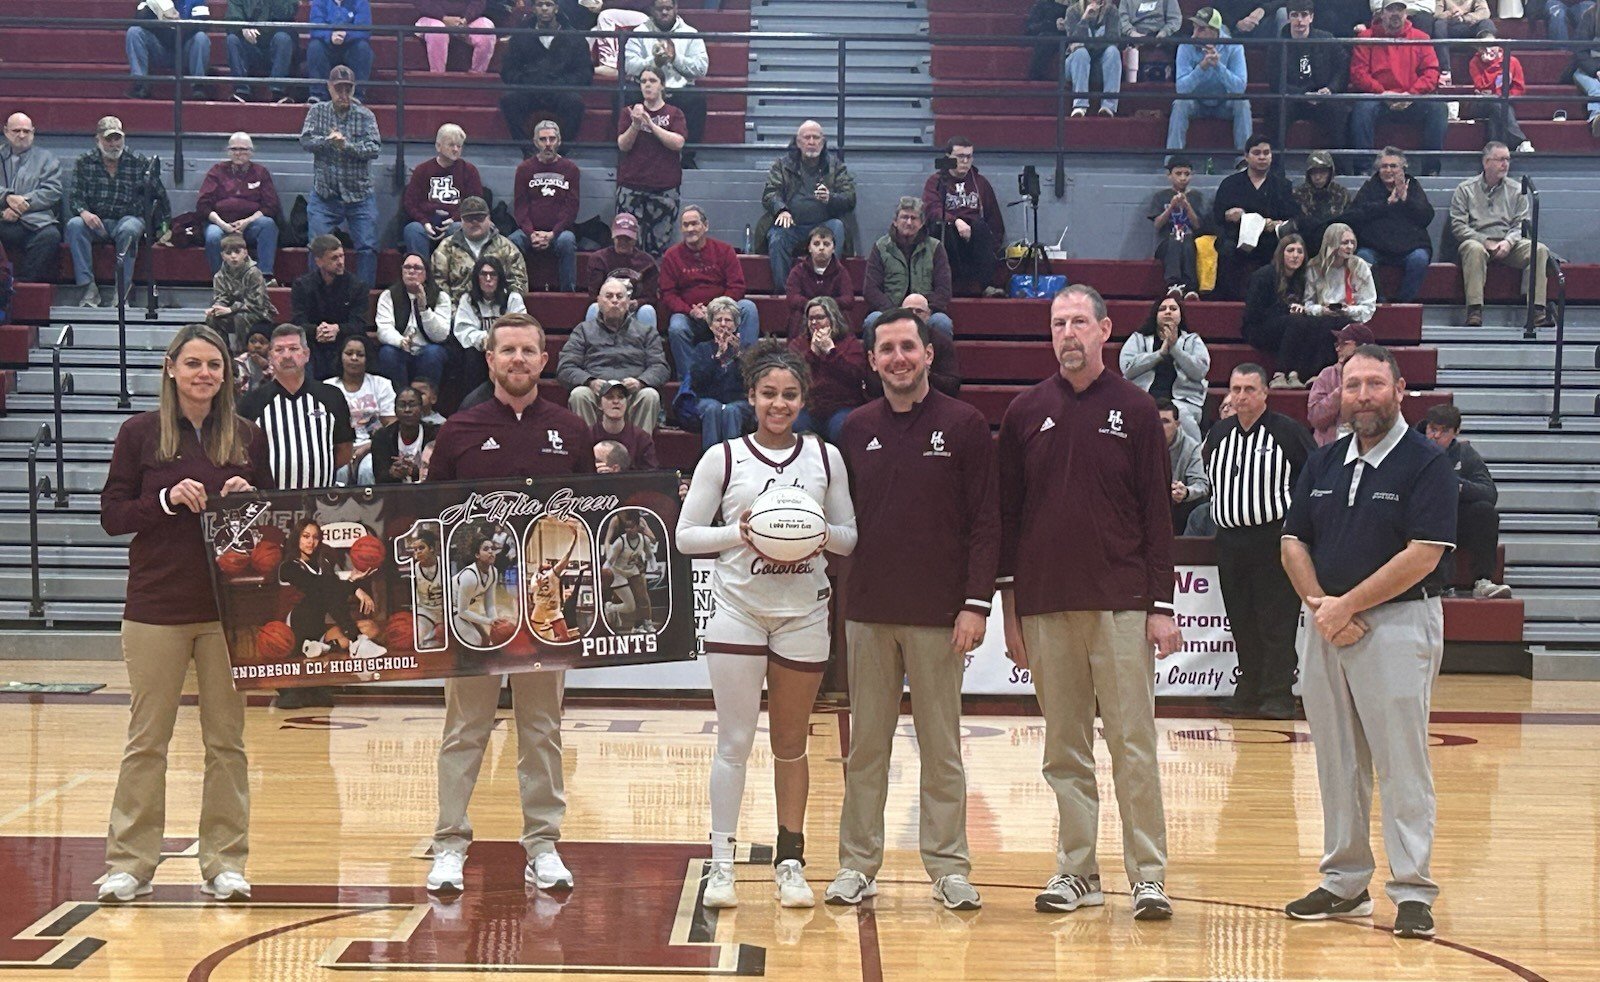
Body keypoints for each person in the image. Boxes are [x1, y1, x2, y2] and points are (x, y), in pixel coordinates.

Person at [997, 285, 1180, 922]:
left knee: (1133, 744)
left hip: (1122, 604)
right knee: (1064, 749)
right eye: (1058, 323)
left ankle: (1148, 876)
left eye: (1079, 321)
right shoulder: (1024, 411)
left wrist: (1161, 604)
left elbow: (1157, 515)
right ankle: (1078, 871)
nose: (1068, 333)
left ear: (1105, 330)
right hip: (1045, 605)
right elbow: (1008, 518)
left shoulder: (1136, 408)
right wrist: (1012, 612)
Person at [1280, 343, 1457, 941]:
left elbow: (1423, 554)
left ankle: (1413, 889)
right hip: (1325, 625)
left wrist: (1347, 606)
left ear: (1399, 390)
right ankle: (1345, 883)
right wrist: (1322, 608)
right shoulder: (1325, 461)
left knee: (1401, 761)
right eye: (1352, 385)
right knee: (1336, 762)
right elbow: (1293, 542)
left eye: (1374, 384)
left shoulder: (1427, 463)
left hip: (1398, 625)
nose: (1362, 396)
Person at [824, 305, 997, 913]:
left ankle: (949, 868)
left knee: (941, 749)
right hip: (868, 612)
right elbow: (839, 521)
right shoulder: (854, 428)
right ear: (872, 361)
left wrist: (975, 604)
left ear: (928, 354)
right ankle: (856, 864)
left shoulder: (965, 424)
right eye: (887, 349)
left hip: (940, 617)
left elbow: (986, 522)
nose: (898, 358)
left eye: (907, 347)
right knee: (866, 748)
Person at [676, 339, 858, 911]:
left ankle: (790, 862)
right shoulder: (723, 457)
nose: (779, 404)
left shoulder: (825, 457)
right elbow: (686, 537)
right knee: (733, 743)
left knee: (791, 745)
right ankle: (722, 864)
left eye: (790, 395)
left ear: (803, 399)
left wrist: (812, 533)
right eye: (769, 394)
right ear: (751, 396)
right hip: (739, 611)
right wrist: (743, 532)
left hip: (803, 613)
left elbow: (849, 537)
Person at [97, 323, 270, 906]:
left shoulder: (247, 435)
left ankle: (225, 863)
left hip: (228, 610)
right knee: (147, 741)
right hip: (156, 607)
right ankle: (130, 864)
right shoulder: (139, 433)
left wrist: (252, 502)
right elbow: (113, 515)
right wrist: (166, 500)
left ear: (227, 375)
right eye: (193, 363)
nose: (204, 374)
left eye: (214, 365)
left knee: (227, 743)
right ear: (171, 368)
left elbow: (274, 520)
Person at [423, 312, 594, 897]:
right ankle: (449, 844)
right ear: (490, 359)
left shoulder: (571, 430)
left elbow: (587, 519)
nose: (518, 360)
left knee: (541, 729)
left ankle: (543, 845)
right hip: (476, 607)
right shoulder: (459, 429)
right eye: (508, 351)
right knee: (464, 729)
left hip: (542, 610)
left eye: (528, 351)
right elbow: (430, 518)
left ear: (544, 361)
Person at [1202, 363, 1315, 719]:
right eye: (1235, 389)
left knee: (1276, 619)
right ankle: (1248, 689)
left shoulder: (1288, 432)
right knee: (1241, 618)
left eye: (1249, 389)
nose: (1241, 397)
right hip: (1229, 541)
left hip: (1273, 540)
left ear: (1265, 392)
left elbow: (1312, 478)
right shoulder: (1219, 433)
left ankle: (1278, 694)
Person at [67, 117, 170, 308]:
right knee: (74, 225)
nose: (114, 144)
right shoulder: (84, 162)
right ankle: (88, 289)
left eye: (118, 138)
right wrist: (84, 213)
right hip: (97, 220)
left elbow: (160, 196)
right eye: (109, 139)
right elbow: (75, 197)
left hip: (129, 218)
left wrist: (164, 226)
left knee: (129, 229)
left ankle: (122, 292)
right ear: (98, 139)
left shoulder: (138, 162)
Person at [1449, 142, 1552, 328]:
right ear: (1486, 162)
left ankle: (1537, 311)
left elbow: (1521, 223)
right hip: (1477, 240)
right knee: (1473, 248)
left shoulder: (1517, 189)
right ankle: (1474, 310)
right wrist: (1485, 241)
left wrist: (1508, 242)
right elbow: (1458, 226)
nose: (1505, 164)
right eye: (1500, 160)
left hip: (1508, 241)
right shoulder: (1465, 189)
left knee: (1539, 249)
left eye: (1508, 160)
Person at [300, 65, 381, 287]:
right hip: (325, 195)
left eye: (348, 89)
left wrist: (346, 146)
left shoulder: (366, 116)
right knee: (317, 246)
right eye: (339, 89)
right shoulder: (317, 112)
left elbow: (374, 149)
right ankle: (317, 293)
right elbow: (305, 141)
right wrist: (327, 141)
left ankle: (362, 296)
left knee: (367, 246)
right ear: (329, 88)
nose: (343, 94)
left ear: (354, 89)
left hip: (360, 196)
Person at [1422, 405, 1512, 598]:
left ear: (1456, 432)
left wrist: (1456, 485)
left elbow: (1489, 492)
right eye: (1433, 429)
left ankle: (1483, 580)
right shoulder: (1412, 449)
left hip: (1455, 521)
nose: (1436, 436)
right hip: (1421, 520)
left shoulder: (1465, 453)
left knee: (1485, 511)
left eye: (1444, 431)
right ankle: (1432, 583)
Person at [661, 206, 760, 382]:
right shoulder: (671, 256)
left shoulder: (724, 250)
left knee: (748, 308)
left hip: (723, 311)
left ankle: (748, 371)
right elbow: (668, 294)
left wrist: (717, 309)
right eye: (685, 225)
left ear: (705, 225)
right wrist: (690, 311)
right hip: (691, 316)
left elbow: (737, 285)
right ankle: (690, 382)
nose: (690, 229)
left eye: (694, 223)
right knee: (676, 327)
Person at [557, 275, 670, 430]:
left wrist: (641, 382)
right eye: (609, 296)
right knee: (579, 394)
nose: (614, 300)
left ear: (628, 302)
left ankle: (639, 445)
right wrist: (590, 382)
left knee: (650, 395)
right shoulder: (583, 331)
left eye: (619, 296)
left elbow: (660, 367)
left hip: (631, 396)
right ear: (599, 301)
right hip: (597, 395)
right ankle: (589, 445)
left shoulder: (646, 332)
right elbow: (565, 367)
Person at [1349, 1, 1446, 176]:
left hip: (1411, 99)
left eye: (1400, 9)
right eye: (1390, 9)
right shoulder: (1366, 37)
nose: (1395, 13)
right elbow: (1358, 74)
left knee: (1438, 108)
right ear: (1381, 13)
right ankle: (1363, 170)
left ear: (1406, 13)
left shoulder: (1421, 37)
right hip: (1378, 99)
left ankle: (1431, 169)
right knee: (1362, 109)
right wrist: (1382, 93)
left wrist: (1411, 94)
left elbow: (1431, 72)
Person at [761, 121, 858, 290]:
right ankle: (785, 293)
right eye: (807, 138)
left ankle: (828, 288)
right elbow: (770, 193)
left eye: (816, 137)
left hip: (823, 226)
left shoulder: (836, 166)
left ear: (823, 141)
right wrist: (781, 209)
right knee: (777, 237)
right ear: (798, 142)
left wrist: (831, 198)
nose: (811, 142)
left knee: (837, 226)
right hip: (791, 225)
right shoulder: (782, 166)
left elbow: (850, 198)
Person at [1242, 234, 1347, 388]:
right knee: (1297, 321)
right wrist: (1287, 310)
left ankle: (1309, 374)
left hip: (1292, 325)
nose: (1295, 255)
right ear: (1281, 253)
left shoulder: (1302, 278)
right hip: (1259, 328)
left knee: (1321, 322)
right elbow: (1253, 313)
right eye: (1290, 250)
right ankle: (1280, 374)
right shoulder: (1264, 275)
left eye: (1299, 251)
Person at [277, 516, 387, 655]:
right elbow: (319, 587)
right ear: (296, 538)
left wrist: (353, 580)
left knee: (371, 628)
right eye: (306, 536)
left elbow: (335, 591)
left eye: (315, 537)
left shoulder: (322, 565)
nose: (311, 541)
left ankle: (323, 647)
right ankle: (356, 641)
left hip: (317, 632)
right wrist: (355, 588)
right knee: (325, 591)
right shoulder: (288, 567)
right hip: (293, 631)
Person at [1211, 134, 1296, 300]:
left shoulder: (1282, 185)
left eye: (1266, 153)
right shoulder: (1230, 184)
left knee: (1283, 247)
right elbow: (1216, 216)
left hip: (1269, 238)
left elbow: (1291, 217)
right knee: (1226, 249)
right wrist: (1228, 215)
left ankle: (1277, 297)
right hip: (1236, 237)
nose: (1262, 157)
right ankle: (1228, 299)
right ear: (1246, 156)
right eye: (1257, 153)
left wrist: (1277, 224)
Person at [499, 0, 593, 150]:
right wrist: (526, 81)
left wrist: (562, 82)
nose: (544, 8)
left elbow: (585, 73)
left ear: (556, 8)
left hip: (560, 89)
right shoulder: (520, 36)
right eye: (539, 4)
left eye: (548, 4)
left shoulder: (575, 37)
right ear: (533, 9)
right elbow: (508, 71)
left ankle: (561, 152)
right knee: (509, 100)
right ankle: (528, 151)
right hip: (529, 88)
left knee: (575, 103)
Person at [862, 197, 954, 347]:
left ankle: (940, 363)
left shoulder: (935, 247)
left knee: (942, 323)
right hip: (889, 311)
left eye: (914, 218)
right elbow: (870, 289)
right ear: (895, 221)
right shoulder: (880, 247)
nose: (909, 222)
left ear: (922, 222)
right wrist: (893, 312)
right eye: (904, 217)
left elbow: (944, 289)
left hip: (925, 312)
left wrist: (926, 310)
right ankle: (873, 363)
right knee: (872, 321)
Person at [1119, 292, 1210, 442]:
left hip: (1183, 401)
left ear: (1180, 315)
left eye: (1173, 309)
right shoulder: (1139, 338)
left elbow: (1199, 371)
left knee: (1183, 417)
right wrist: (1159, 354)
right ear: (1155, 315)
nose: (1168, 312)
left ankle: (1195, 455)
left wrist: (1174, 348)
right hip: (1143, 398)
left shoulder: (1192, 340)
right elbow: (1127, 369)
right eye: (1163, 309)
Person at [616, 67, 688, 257]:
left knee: (658, 248)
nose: (647, 85)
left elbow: (678, 143)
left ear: (662, 85)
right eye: (643, 81)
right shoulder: (629, 112)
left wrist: (651, 124)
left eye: (652, 80)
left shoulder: (674, 113)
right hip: (631, 186)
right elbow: (623, 145)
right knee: (629, 247)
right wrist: (635, 124)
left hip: (664, 189)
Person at [1346, 147, 1434, 303]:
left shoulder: (1413, 186)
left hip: (1409, 248)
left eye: (1393, 166)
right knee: (1363, 257)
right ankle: (1378, 301)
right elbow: (1355, 215)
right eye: (1384, 166)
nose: (1388, 170)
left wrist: (1406, 198)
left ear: (1403, 169)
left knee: (1420, 258)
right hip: (1374, 248)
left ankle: (1403, 304)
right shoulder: (1369, 187)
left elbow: (1426, 217)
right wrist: (1386, 203)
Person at [1264, 0, 1351, 153]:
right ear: (1288, 17)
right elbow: (1275, 81)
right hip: (1291, 98)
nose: (1300, 20)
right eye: (1295, 15)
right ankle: (1276, 164)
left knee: (1340, 111)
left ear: (1311, 17)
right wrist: (1303, 95)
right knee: (1275, 109)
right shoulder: (1277, 45)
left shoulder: (1327, 39)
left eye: (1304, 15)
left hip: (1322, 97)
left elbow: (1343, 66)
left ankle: (1340, 164)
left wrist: (1331, 89)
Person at [922, 138, 1005, 296]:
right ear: (948, 157)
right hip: (948, 235)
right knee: (942, 227)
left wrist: (993, 247)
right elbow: (932, 210)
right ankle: (948, 285)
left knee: (980, 226)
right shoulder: (936, 181)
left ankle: (984, 286)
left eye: (969, 156)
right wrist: (956, 221)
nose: (965, 161)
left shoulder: (980, 183)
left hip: (974, 238)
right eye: (960, 156)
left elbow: (995, 219)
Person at [623, 0, 710, 151]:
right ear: (652, 9)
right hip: (645, 89)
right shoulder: (639, 32)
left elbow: (701, 69)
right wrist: (654, 62)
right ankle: (628, 152)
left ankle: (687, 156)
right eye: (660, 9)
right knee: (622, 95)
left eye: (668, 8)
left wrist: (675, 58)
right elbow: (629, 67)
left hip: (679, 90)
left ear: (676, 8)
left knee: (697, 100)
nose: (664, 12)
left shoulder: (691, 33)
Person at [1166, 8, 1252, 161]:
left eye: (1201, 29)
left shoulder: (1234, 46)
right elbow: (1181, 89)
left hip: (1224, 103)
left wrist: (1218, 66)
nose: (1194, 34)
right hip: (1196, 102)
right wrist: (1202, 67)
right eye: (1194, 27)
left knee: (1243, 103)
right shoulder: (1186, 46)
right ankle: (1173, 161)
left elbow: (1240, 88)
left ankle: (1244, 161)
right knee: (1179, 103)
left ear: (1214, 31)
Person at [197, 133, 280, 282]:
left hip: (250, 225)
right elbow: (203, 205)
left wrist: (247, 221)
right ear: (228, 151)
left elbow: (271, 205)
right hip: (220, 224)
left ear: (251, 152)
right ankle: (221, 280)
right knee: (213, 237)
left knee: (268, 225)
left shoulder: (261, 172)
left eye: (243, 149)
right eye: (234, 149)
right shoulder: (216, 171)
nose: (238, 153)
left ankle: (264, 277)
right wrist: (223, 224)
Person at [1301, 224, 1377, 382]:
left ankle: (1334, 375)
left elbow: (1369, 305)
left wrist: (1348, 310)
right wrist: (1321, 310)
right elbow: (1307, 303)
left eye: (1352, 242)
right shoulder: (1315, 267)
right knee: (1320, 325)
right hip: (1321, 316)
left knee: (1340, 327)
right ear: (1332, 243)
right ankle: (1318, 374)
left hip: (1350, 316)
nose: (1350, 247)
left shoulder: (1360, 266)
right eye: (1344, 243)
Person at [511, 120, 580, 292]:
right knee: (513, 241)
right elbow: (520, 206)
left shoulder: (571, 169)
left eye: (552, 139)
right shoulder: (524, 169)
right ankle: (516, 292)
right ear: (535, 142)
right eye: (543, 139)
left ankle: (568, 295)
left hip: (559, 232)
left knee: (567, 241)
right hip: (530, 232)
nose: (548, 144)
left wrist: (552, 234)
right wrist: (531, 233)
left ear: (559, 141)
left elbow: (571, 208)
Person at [291, 234, 371, 380]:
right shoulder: (302, 286)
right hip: (313, 341)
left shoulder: (357, 286)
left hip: (344, 340)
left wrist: (337, 329)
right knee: (302, 348)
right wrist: (316, 330)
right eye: (334, 258)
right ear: (319, 261)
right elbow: (298, 321)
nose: (340, 262)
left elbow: (359, 324)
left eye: (342, 256)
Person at [789, 297, 868, 444]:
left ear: (832, 318)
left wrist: (831, 352)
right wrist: (812, 354)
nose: (814, 322)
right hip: (808, 408)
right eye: (810, 318)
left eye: (820, 317)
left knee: (842, 428)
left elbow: (857, 374)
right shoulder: (798, 344)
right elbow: (792, 375)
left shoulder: (849, 343)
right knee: (795, 427)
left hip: (842, 407)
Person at [402, 123, 485, 259]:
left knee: (458, 228)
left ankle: (453, 271)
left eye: (459, 146)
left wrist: (455, 218)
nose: (456, 149)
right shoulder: (422, 170)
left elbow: (475, 204)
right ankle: (422, 270)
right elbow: (410, 203)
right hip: (426, 222)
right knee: (413, 230)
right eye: (451, 145)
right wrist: (424, 222)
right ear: (438, 146)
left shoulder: (469, 170)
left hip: (456, 222)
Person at [679, 295, 752, 449]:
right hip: (707, 400)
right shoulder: (702, 349)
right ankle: (711, 458)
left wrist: (738, 356)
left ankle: (733, 459)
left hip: (737, 402)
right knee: (713, 408)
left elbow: (749, 383)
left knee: (731, 411)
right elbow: (697, 382)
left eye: (728, 320)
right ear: (711, 325)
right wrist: (717, 357)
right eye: (718, 320)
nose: (723, 324)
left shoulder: (745, 352)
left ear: (736, 325)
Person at [452, 254, 527, 401]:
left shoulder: (512, 298)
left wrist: (497, 341)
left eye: (493, 274)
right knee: (470, 355)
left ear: (500, 278)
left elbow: (521, 326)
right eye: (483, 274)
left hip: (507, 349)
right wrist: (483, 340)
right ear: (477, 278)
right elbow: (463, 330)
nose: (488, 279)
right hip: (479, 351)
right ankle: (473, 402)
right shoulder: (468, 300)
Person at [376, 252, 454, 389]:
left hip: (428, 349)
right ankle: (399, 397)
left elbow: (440, 336)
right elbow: (383, 329)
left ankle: (425, 398)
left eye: (417, 268)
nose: (411, 271)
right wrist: (400, 341)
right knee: (387, 353)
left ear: (426, 273)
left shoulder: (440, 297)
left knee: (433, 353)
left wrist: (424, 310)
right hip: (400, 348)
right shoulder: (389, 295)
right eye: (407, 267)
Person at [325, 335, 396, 485]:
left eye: (360, 354)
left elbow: (391, 425)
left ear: (367, 358)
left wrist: (368, 447)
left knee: (367, 470)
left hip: (374, 447)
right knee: (341, 471)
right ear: (341, 357)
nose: (354, 358)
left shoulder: (381, 384)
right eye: (349, 353)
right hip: (338, 448)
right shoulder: (328, 387)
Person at [0, 114, 63, 284]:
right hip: (2, 218)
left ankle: (26, 285)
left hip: (36, 221)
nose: (21, 135)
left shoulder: (47, 159)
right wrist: (7, 198)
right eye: (16, 131)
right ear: (6, 131)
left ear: (33, 132)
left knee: (50, 236)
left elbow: (53, 191)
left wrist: (23, 204)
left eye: (26, 131)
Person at [432, 195, 529, 300]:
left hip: (499, 307)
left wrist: (505, 303)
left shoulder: (507, 247)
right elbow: (436, 284)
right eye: (469, 218)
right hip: (457, 307)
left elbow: (520, 283)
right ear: (461, 220)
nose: (474, 222)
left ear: (489, 218)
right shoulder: (446, 248)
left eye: (480, 218)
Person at [126, 0, 213, 100]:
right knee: (134, 32)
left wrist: (177, 28)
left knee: (201, 37)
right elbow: (139, 17)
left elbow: (203, 23)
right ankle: (140, 84)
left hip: (186, 51)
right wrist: (164, 24)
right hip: (159, 49)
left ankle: (198, 86)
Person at [1465, 28, 1534, 153]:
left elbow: (1519, 87)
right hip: (1480, 103)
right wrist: (1491, 66)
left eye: (1492, 45)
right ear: (1479, 50)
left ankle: (1494, 151)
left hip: (1504, 101)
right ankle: (1520, 141)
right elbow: (1482, 87)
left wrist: (1503, 96)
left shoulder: (1512, 61)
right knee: (1497, 103)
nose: (1489, 50)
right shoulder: (1475, 62)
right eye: (1483, 47)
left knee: (1497, 111)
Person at [587, 213, 661, 329]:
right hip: (606, 308)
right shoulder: (598, 259)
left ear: (635, 239)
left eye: (628, 239)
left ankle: (648, 341)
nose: (623, 242)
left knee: (647, 310)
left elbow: (651, 297)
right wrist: (610, 304)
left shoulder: (647, 262)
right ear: (613, 236)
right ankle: (591, 340)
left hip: (634, 310)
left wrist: (637, 303)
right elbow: (593, 295)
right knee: (594, 308)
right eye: (619, 238)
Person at [1147, 157, 1207, 299]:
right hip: (1166, 244)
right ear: (1169, 175)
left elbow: (1198, 225)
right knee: (1175, 240)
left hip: (1190, 241)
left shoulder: (1197, 196)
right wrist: (1171, 207)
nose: (1183, 178)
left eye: (1187, 174)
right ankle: (1174, 284)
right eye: (1178, 173)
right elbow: (1157, 224)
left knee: (1188, 242)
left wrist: (1187, 206)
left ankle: (1191, 288)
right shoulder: (1160, 196)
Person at [205, 234, 275, 353]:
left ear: (245, 253)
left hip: (259, 314)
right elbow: (222, 297)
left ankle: (242, 353)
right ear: (222, 256)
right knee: (213, 318)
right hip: (234, 312)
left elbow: (256, 303)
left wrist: (231, 309)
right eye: (228, 253)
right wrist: (216, 308)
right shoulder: (219, 276)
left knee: (240, 317)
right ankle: (223, 353)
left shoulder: (254, 273)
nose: (233, 256)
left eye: (237, 252)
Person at [1306, 322, 1374, 446]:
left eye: (1344, 344)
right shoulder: (1327, 375)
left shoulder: (1377, 377)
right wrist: (1342, 390)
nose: (1338, 348)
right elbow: (1315, 419)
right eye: (1337, 344)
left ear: (1362, 347)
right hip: (1329, 449)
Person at [784, 225, 855, 336]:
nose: (821, 248)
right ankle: (797, 346)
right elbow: (792, 298)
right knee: (797, 315)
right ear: (809, 248)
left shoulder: (841, 272)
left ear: (833, 249)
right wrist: (814, 306)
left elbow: (848, 299)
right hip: (806, 315)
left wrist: (826, 306)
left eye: (826, 244)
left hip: (833, 316)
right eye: (816, 244)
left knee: (844, 314)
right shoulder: (798, 271)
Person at [225, 0, 298, 104]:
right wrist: (242, 28)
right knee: (232, 39)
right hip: (251, 49)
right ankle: (241, 90)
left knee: (283, 38)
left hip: (277, 49)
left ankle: (278, 91)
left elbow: (287, 13)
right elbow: (232, 18)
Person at [1065, 0, 1126, 117]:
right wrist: (1084, 19)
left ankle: (1108, 106)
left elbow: (1113, 38)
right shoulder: (1072, 11)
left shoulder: (1111, 11)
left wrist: (1088, 45)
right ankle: (1079, 105)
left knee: (1113, 51)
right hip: (1076, 65)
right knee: (1081, 53)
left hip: (1100, 64)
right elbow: (1073, 40)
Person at [1158, 398, 1209, 533]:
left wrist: (1186, 492)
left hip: (1177, 507)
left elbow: (1201, 484)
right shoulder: (1139, 442)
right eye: (1155, 421)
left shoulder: (1191, 447)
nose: (1159, 426)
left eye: (1165, 421)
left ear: (1177, 424)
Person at [307, 0, 374, 103]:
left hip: (351, 45)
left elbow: (364, 29)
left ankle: (357, 96)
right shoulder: (319, 1)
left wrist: (346, 35)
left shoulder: (361, 2)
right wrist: (330, 36)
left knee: (363, 48)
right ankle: (318, 95)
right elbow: (315, 27)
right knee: (315, 46)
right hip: (327, 45)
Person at [372, 385, 439, 484]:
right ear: (395, 410)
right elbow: (379, 475)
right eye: (402, 405)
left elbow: (438, 473)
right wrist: (392, 474)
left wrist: (414, 472)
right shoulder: (382, 437)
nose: (407, 410)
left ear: (421, 409)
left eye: (412, 405)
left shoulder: (435, 434)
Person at [1291, 151, 1350, 259]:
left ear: (1330, 172)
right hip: (1306, 245)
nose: (1318, 177)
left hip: (1336, 245)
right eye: (1313, 172)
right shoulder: (1299, 194)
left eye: (1322, 172)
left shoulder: (1341, 194)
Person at [415, 0, 498, 74]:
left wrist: (465, 19)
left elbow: (479, 3)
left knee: (486, 33)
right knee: (437, 33)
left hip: (467, 20)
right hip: (432, 17)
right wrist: (443, 17)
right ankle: (437, 76)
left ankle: (477, 76)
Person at [589, 383, 659, 468]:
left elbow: (650, 473)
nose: (616, 401)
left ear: (627, 403)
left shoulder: (642, 438)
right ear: (599, 404)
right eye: (610, 397)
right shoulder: (588, 436)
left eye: (621, 397)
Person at [1431, 0, 1490, 75]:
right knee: (1439, 24)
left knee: (1487, 23)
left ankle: (1489, 52)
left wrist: (1465, 17)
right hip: (1450, 28)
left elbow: (1485, 12)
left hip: (1469, 26)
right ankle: (1445, 70)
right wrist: (1450, 13)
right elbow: (1436, 14)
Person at [1024, 0, 1070, 80]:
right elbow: (1030, 27)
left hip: (1071, 38)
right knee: (1046, 38)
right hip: (1048, 38)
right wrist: (1052, 25)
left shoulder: (1078, 6)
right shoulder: (1043, 4)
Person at [1572, 7, 1600, 139]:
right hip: (1586, 70)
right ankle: (1596, 118)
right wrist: (1596, 71)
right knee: (1596, 88)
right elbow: (1580, 52)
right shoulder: (1590, 15)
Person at [234, 324, 274, 396]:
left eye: (262, 342)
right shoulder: (239, 362)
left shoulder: (275, 362)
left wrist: (265, 367)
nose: (257, 346)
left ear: (271, 346)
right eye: (252, 341)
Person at [1215, 0, 1288, 37]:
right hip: (1232, 27)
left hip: (1264, 24)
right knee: (1217, 25)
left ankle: (1283, 57)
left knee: (1283, 13)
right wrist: (1235, 24)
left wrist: (1263, 9)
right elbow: (1217, 6)